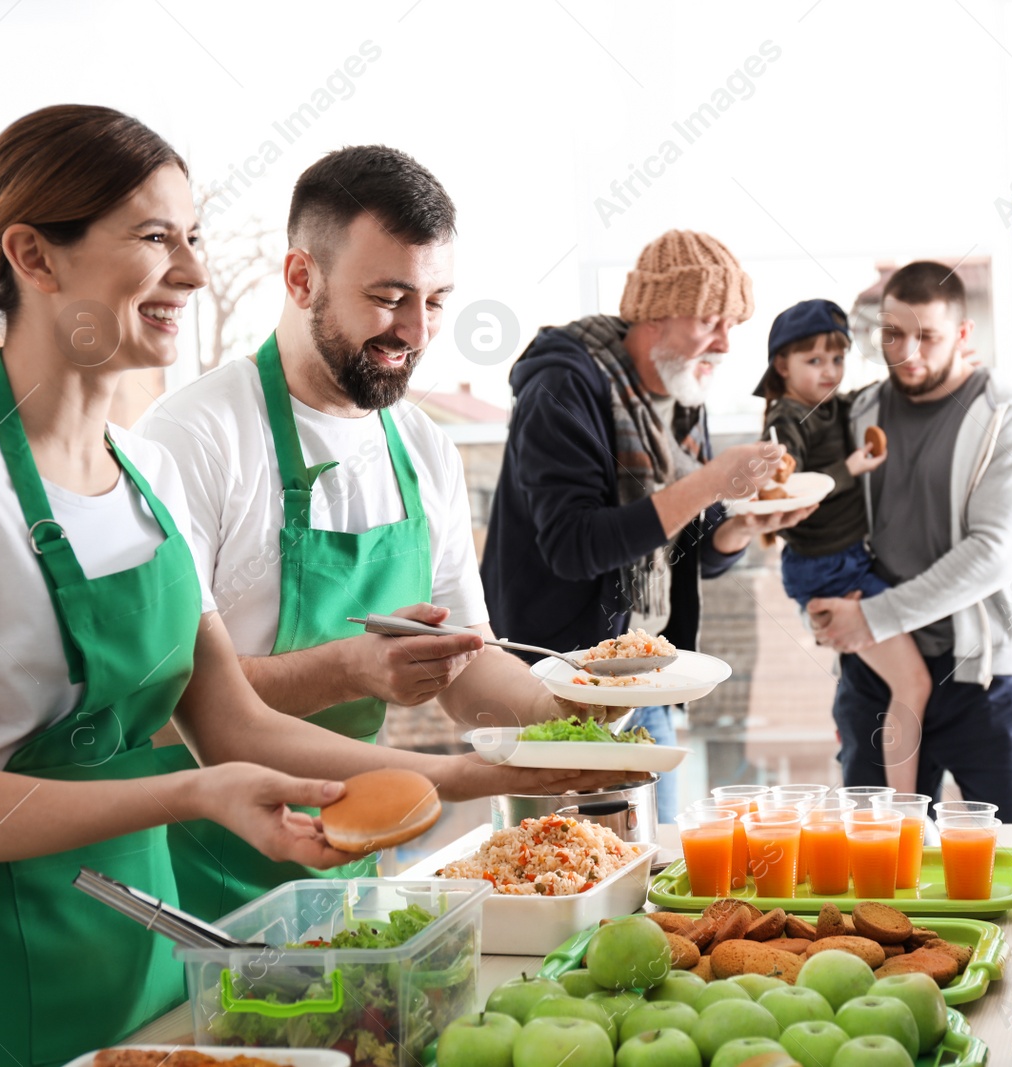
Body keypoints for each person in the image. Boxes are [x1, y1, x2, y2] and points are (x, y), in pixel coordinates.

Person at [0, 106, 630, 1064]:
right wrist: (192, 796)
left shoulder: (134, 471)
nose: (194, 271)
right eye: (156, 238)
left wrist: (480, 774)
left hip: (152, 969)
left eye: (192, 237)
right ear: (33, 254)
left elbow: (230, 725)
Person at [136, 146, 617, 919]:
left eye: (436, 299)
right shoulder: (193, 438)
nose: (416, 330)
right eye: (390, 297)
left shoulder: (422, 446)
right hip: (195, 877)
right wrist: (352, 670)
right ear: (301, 279)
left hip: (351, 862)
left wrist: (567, 715)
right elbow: (166, 706)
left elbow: (468, 665)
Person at [481, 230, 816, 824]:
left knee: (649, 870)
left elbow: (693, 550)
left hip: (648, 682)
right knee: (567, 873)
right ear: (654, 312)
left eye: (732, 322)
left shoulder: (683, 398)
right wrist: (710, 481)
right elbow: (573, 547)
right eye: (710, 318)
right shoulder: (563, 386)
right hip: (559, 687)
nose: (725, 341)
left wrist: (744, 527)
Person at [811, 262, 1012, 823]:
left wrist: (874, 617)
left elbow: (994, 552)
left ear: (964, 336)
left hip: (979, 680)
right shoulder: (858, 412)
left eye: (928, 336)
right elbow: (822, 525)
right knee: (873, 865)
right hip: (875, 680)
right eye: (893, 334)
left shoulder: (1008, 415)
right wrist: (829, 615)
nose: (907, 352)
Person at [755, 298, 931, 794]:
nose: (829, 371)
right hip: (827, 567)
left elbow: (864, 398)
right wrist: (850, 469)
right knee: (912, 684)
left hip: (847, 560)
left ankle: (894, 804)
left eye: (837, 359)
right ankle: (904, 809)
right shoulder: (785, 416)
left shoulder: (827, 403)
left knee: (890, 679)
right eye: (814, 361)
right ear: (782, 365)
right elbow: (786, 483)